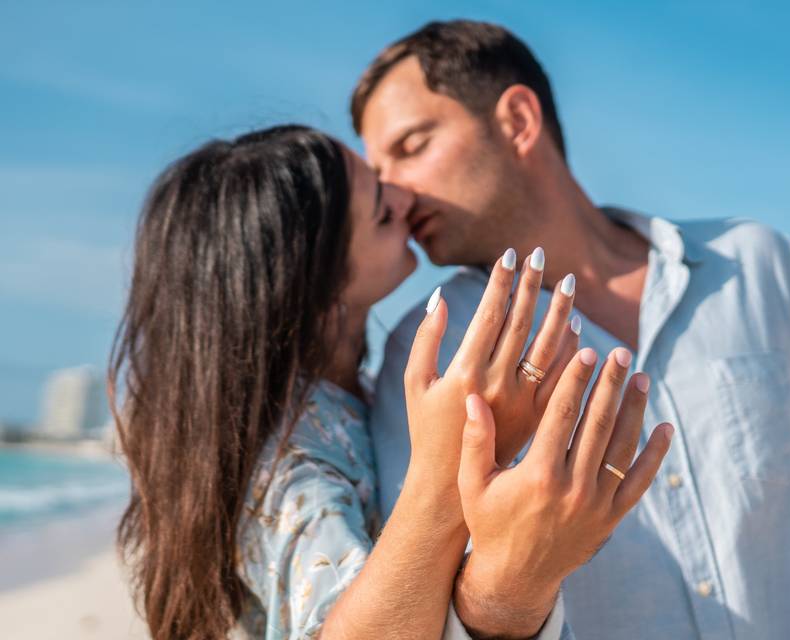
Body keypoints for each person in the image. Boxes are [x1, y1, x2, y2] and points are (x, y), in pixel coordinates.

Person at [352, 20, 790, 639]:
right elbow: (430, 605)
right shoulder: (428, 353)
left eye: (411, 145)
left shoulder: (756, 268)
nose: (392, 193)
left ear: (517, 121)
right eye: (376, 171)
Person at [108, 124, 672, 639]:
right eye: (381, 206)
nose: (405, 199)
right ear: (310, 273)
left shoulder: (342, 401)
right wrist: (452, 465)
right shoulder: (287, 454)